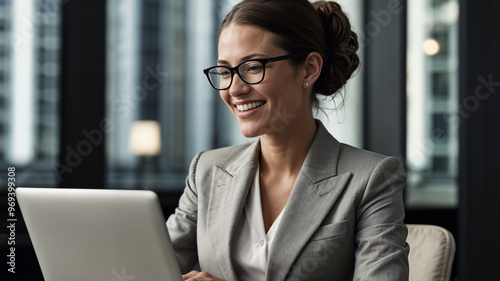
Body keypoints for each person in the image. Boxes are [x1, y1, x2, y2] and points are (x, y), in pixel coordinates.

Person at [166, 0, 409, 280]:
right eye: (224, 71)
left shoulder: (371, 179)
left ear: (308, 69)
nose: (235, 89)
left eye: (253, 66)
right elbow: (151, 263)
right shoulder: (207, 170)